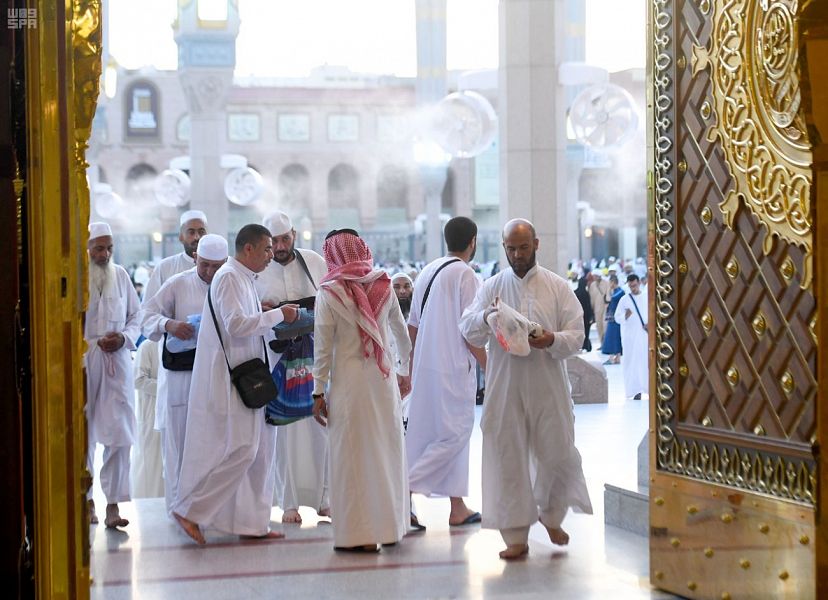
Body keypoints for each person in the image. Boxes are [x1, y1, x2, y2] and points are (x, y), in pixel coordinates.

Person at [459, 218, 593, 560]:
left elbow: (577, 335)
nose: (518, 255)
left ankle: (551, 516)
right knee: (508, 455)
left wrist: (551, 339)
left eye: (523, 247)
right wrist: (486, 317)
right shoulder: (491, 287)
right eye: (511, 248)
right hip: (505, 384)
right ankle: (515, 535)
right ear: (503, 248)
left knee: (557, 451)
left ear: (536, 244)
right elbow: (468, 328)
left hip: (548, 383)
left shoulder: (558, 287)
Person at [171, 225, 299, 545]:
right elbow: (236, 325)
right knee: (243, 449)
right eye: (267, 249)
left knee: (257, 453)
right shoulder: (229, 276)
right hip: (229, 379)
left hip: (248, 374)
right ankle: (190, 510)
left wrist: (269, 316)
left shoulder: (243, 278)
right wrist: (279, 316)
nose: (272, 255)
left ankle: (251, 525)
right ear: (249, 250)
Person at [311, 229, 412, 552]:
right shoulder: (384, 285)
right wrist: (403, 372)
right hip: (382, 383)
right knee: (385, 451)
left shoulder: (329, 292)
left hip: (348, 386)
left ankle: (359, 535)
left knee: (351, 456)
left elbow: (323, 351)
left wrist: (317, 393)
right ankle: (389, 528)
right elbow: (403, 336)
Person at [405, 216, 487, 529]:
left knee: (428, 435)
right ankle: (404, 491)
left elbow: (412, 324)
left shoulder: (428, 270)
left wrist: (410, 368)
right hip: (451, 367)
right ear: (473, 241)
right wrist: (488, 365)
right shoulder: (464, 273)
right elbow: (471, 330)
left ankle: (457, 507)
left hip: (426, 366)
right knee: (455, 433)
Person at [140, 234, 229, 514]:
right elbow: (146, 317)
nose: (210, 272)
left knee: (214, 444)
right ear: (195, 258)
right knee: (178, 445)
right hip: (181, 377)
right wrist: (170, 325)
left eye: (216, 266)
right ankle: (179, 511)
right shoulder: (177, 284)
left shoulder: (231, 284)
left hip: (216, 376)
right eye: (204, 265)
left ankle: (208, 511)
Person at [255, 211, 330, 525]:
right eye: (274, 241)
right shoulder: (258, 270)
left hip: (315, 358)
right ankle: (288, 503)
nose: (281, 246)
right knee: (283, 434)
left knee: (320, 427)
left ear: (294, 235)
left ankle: (326, 499)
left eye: (285, 238)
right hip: (277, 361)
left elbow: (330, 302)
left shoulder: (313, 262)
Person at [85, 222, 141, 528]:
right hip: (84, 362)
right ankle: (87, 501)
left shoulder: (120, 275)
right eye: (99, 248)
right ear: (88, 249)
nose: (105, 254)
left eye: (109, 248)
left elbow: (137, 315)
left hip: (117, 361)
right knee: (83, 435)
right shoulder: (78, 276)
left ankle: (113, 506)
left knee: (120, 435)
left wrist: (123, 338)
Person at [143, 210, 208, 301]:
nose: (197, 237)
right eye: (191, 232)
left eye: (201, 232)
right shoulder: (164, 267)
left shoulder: (218, 266)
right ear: (181, 237)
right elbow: (148, 308)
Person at [131, 339, 164, 498]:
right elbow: (138, 380)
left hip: (170, 412)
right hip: (151, 413)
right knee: (150, 459)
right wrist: (167, 388)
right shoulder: (147, 346)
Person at [614, 273, 648, 399]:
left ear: (639, 283)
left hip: (644, 336)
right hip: (630, 338)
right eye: (630, 286)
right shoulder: (624, 300)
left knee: (644, 362)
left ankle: (647, 388)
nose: (633, 288)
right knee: (631, 363)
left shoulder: (646, 297)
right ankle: (634, 390)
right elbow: (617, 318)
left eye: (634, 285)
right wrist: (626, 316)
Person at [601, 275, 624, 365]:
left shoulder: (620, 292)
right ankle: (615, 357)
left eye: (610, 282)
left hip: (616, 319)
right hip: (612, 318)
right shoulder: (615, 292)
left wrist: (608, 291)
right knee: (613, 337)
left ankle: (613, 357)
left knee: (613, 337)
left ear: (614, 282)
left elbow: (611, 299)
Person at [588, 270, 610, 347]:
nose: (594, 277)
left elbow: (608, 294)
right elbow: (591, 298)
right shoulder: (592, 285)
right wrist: (592, 309)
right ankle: (602, 344)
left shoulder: (606, 283)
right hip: (596, 309)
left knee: (605, 326)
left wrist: (608, 302)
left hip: (605, 308)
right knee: (599, 326)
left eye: (595, 276)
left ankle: (606, 344)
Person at [574, 272, 594, 352]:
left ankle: (578, 345)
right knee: (586, 331)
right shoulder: (586, 293)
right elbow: (588, 306)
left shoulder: (575, 293)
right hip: (585, 316)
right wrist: (591, 316)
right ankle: (585, 345)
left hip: (577, 316)